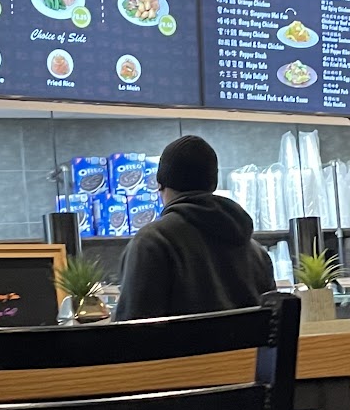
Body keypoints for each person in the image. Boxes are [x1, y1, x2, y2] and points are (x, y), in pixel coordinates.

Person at [114, 134, 274, 321]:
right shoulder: (257, 253)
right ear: (212, 184)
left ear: (160, 185)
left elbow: (130, 331)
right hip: (246, 342)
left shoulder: (152, 243)